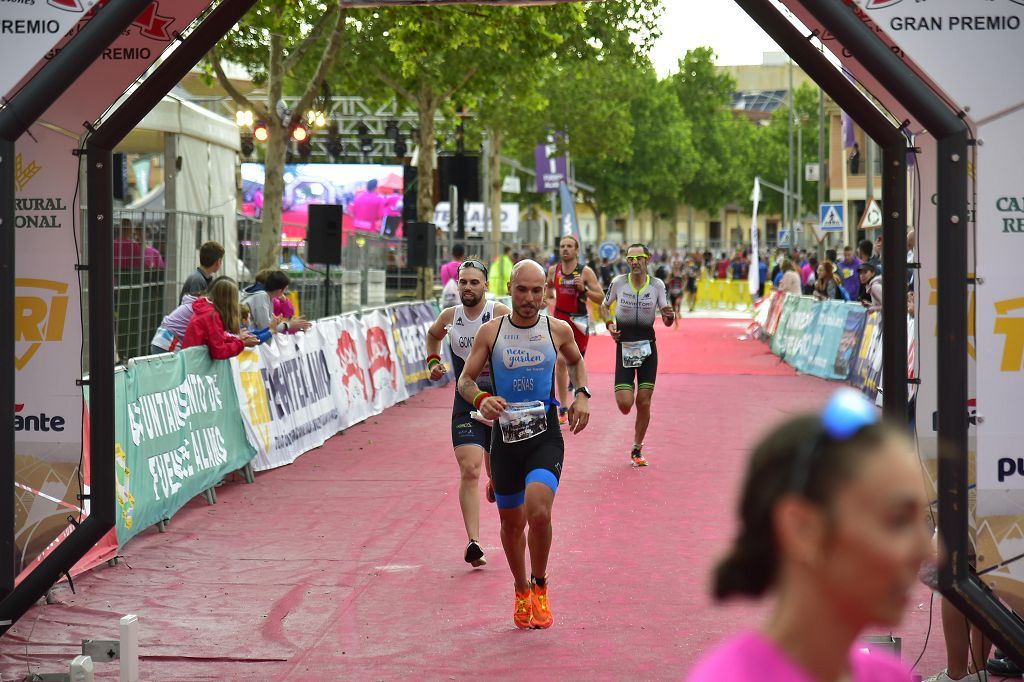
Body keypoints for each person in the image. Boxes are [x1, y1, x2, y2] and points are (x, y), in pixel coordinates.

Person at [687, 389, 931, 682]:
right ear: (803, 529)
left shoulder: (890, 674)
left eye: (923, 522)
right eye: (897, 520)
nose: (928, 552)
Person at [457, 259, 590, 629]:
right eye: (522, 289)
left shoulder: (557, 329)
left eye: (536, 291)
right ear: (510, 288)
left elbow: (577, 363)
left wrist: (582, 395)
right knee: (512, 525)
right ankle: (520, 589)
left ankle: (541, 584)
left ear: (545, 291)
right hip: (505, 440)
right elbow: (465, 381)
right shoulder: (491, 332)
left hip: (545, 434)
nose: (529, 298)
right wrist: (480, 398)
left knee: (539, 511)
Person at [424, 260, 510, 568]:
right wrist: (434, 362)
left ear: (486, 285)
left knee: (498, 478)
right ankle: (474, 542)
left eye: (475, 282)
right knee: (469, 470)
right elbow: (434, 335)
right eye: (463, 282)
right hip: (466, 402)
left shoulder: (499, 314)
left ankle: (495, 480)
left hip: (499, 404)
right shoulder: (450, 317)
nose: (468, 287)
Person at [601, 244, 674, 467]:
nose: (634, 262)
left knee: (643, 402)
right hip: (624, 347)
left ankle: (636, 448)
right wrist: (609, 324)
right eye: (630, 259)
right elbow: (605, 307)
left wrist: (669, 316)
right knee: (625, 405)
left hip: (647, 348)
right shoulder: (618, 282)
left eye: (638, 258)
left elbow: (667, 319)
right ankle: (627, 390)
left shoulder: (657, 285)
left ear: (648, 259)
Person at [546, 236, 604, 425]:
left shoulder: (585, 272)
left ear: (577, 250)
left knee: (576, 360)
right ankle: (562, 407)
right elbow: (548, 291)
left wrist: (584, 290)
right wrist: (544, 299)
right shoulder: (553, 271)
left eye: (569, 246)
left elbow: (600, 298)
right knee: (561, 361)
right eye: (562, 246)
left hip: (578, 322)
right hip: (560, 319)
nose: (565, 249)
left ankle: (578, 395)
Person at [181, 278, 259, 359]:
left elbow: (218, 337)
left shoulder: (207, 309)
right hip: (196, 362)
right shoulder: (212, 315)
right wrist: (242, 343)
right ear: (230, 300)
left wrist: (238, 339)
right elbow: (219, 351)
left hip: (191, 358)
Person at [241, 270, 311, 335]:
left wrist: (292, 324)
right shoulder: (261, 296)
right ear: (281, 290)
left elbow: (269, 326)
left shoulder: (266, 296)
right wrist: (289, 325)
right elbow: (265, 328)